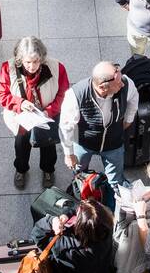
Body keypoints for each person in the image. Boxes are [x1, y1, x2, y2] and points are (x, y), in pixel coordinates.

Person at [0, 36, 70, 189]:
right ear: (19, 59)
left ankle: (48, 170)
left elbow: (63, 94)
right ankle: (21, 170)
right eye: (27, 62)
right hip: (21, 118)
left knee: (48, 145)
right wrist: (20, 103)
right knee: (21, 146)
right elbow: (1, 95)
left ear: (42, 58)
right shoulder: (7, 69)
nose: (32, 66)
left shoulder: (57, 68)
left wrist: (49, 112)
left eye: (36, 61)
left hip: (47, 117)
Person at [59, 60, 139, 195]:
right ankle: (82, 193)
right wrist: (69, 154)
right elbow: (65, 127)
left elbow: (133, 99)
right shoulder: (76, 95)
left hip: (113, 143)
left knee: (116, 181)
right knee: (80, 175)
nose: (123, 84)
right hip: (84, 143)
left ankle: (115, 202)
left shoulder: (126, 83)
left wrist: (129, 119)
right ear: (103, 87)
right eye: (118, 83)